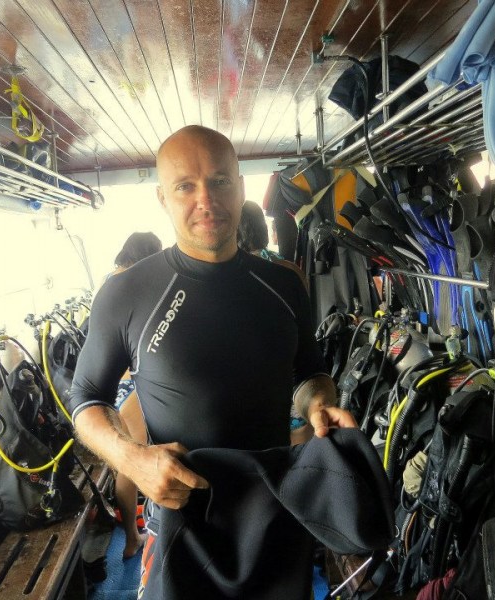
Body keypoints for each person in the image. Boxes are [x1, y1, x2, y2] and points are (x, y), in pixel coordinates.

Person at [68, 125, 356, 598]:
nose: (207, 200)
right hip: (182, 520)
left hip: (275, 514)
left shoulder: (284, 284)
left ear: (240, 187)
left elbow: (310, 373)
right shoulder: (127, 292)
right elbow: (85, 397)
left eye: (220, 181)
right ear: (163, 197)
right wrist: (133, 460)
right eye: (186, 186)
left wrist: (318, 404)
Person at [237, 200, 312, 445]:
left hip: (251, 376)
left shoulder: (231, 274)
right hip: (291, 368)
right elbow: (305, 322)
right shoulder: (289, 269)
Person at [107, 232, 162, 558]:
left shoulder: (109, 282)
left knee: (125, 463)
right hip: (135, 385)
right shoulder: (137, 285)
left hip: (115, 386)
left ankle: (133, 535)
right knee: (133, 464)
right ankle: (137, 538)